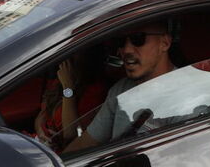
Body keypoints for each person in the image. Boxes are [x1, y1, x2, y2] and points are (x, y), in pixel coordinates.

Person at [63, 22, 176, 154]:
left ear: (165, 43)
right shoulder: (120, 90)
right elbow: (87, 142)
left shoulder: (187, 96)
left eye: (138, 39)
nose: (126, 50)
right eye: (120, 41)